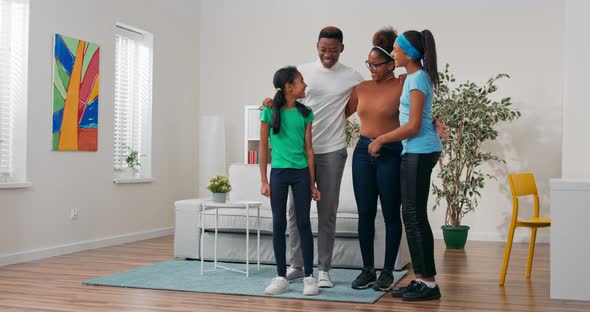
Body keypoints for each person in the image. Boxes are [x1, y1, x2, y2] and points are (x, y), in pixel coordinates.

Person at [263, 26, 363, 288]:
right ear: (316, 47)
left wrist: (333, 120)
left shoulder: (352, 76)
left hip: (332, 150)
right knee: (296, 212)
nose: (327, 55)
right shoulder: (302, 72)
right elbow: (283, 100)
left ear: (342, 48)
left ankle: (323, 270)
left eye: (332, 50)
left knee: (327, 210)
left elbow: (352, 107)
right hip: (297, 154)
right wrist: (269, 102)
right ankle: (297, 266)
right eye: (322, 49)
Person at [367, 29, 443, 301]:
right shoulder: (414, 77)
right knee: (411, 216)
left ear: (409, 53)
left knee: (415, 216)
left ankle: (430, 285)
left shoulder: (417, 79)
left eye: (397, 50)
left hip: (420, 152)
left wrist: (380, 140)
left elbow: (412, 126)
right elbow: (421, 118)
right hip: (416, 151)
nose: (394, 53)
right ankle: (422, 280)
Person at [344, 27, 404, 292]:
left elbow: (418, 108)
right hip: (362, 152)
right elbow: (337, 113)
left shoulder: (403, 83)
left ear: (391, 64)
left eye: (376, 64)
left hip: (391, 152)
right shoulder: (361, 88)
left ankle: (387, 271)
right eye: (368, 63)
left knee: (391, 213)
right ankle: (368, 269)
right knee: (365, 213)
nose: (371, 68)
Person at [260, 66, 321, 296]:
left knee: (303, 223)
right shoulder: (268, 111)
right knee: (279, 223)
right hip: (278, 173)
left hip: (301, 173)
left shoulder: (306, 113)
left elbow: (309, 149)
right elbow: (263, 148)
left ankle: (309, 278)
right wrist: (264, 180)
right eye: (301, 81)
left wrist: (313, 183)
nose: (305, 84)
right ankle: (280, 276)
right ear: (288, 87)